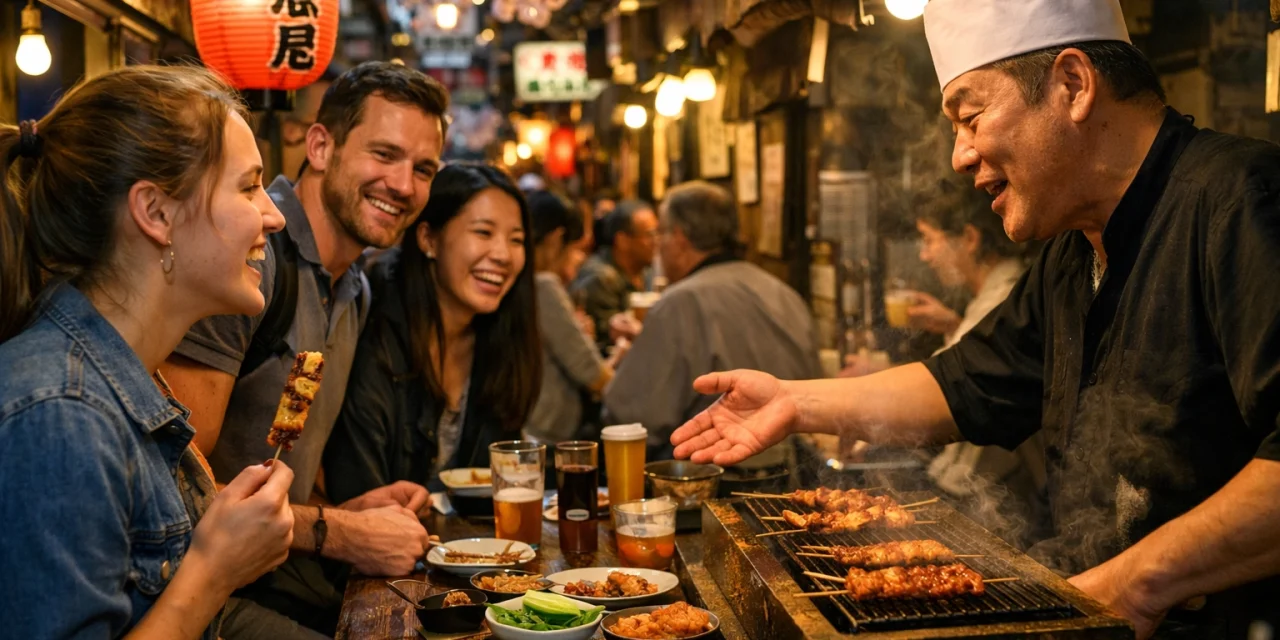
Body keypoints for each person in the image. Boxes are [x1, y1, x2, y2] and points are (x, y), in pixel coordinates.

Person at [670, 1, 1280, 637]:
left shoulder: (1241, 201)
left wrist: (1137, 582)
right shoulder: (1071, 255)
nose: (959, 156)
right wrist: (793, 402)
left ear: (1073, 85)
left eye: (970, 116)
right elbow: (964, 383)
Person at [0, 65, 294, 639]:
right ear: (155, 213)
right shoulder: (63, 414)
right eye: (248, 186)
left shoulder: (129, 377)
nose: (273, 215)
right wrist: (214, 570)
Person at [157, 61, 448, 634]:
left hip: (274, 571)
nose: (405, 185)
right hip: (189, 591)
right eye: (384, 155)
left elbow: (284, 469)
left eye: (424, 168)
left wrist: (345, 515)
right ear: (319, 144)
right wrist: (337, 532)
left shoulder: (355, 286)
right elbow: (172, 482)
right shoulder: (249, 259)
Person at [843, 181, 1047, 548]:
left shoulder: (1003, 299)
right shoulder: (993, 294)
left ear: (969, 238)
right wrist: (953, 325)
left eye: (930, 239)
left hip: (1003, 505)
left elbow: (955, 394)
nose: (924, 255)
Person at [323, 164, 540, 501]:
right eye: (483, 232)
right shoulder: (377, 330)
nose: (502, 255)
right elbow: (358, 490)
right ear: (428, 239)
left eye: (517, 240)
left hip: (467, 547)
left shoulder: (498, 344)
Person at [605, 181, 821, 461]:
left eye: (660, 235)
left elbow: (628, 416)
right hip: (798, 477)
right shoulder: (784, 292)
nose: (658, 249)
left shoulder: (678, 302)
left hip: (712, 477)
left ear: (679, 237)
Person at [524, 190, 625, 446]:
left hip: (526, 430)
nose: (578, 260)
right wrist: (622, 353)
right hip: (547, 435)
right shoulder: (543, 285)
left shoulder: (518, 283)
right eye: (575, 249)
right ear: (557, 239)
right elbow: (592, 375)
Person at [571, 199, 657, 351]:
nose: (656, 241)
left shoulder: (647, 272)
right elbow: (606, 342)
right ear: (622, 241)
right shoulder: (600, 278)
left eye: (657, 234)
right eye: (649, 235)